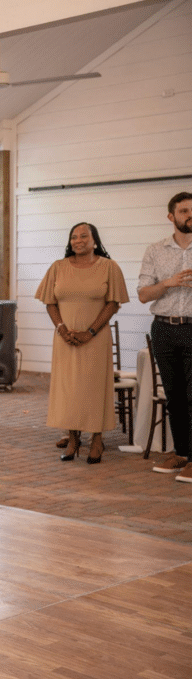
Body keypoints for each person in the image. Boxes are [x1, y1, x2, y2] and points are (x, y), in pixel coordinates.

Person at [35, 222, 129, 465]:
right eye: (74, 237)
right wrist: (62, 329)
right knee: (69, 389)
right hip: (65, 339)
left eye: (84, 236)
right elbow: (50, 302)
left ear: (94, 240)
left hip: (95, 339)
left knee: (94, 387)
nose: (78, 241)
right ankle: (74, 438)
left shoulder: (109, 267)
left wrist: (90, 331)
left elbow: (113, 303)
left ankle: (97, 438)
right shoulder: (58, 267)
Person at [137, 192, 192, 483]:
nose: (190, 215)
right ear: (172, 217)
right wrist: (169, 283)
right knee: (174, 396)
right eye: (184, 211)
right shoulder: (155, 251)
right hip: (164, 328)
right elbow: (144, 295)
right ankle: (181, 453)